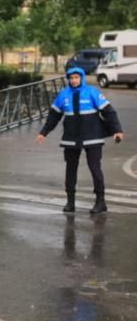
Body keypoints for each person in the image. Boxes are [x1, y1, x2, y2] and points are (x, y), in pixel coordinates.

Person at [36, 67, 124, 214]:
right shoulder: (63, 95)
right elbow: (53, 116)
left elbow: (109, 112)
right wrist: (44, 132)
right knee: (70, 169)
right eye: (71, 78)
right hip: (71, 138)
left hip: (93, 137)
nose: (73, 80)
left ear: (81, 78)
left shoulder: (92, 92)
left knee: (95, 168)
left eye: (76, 77)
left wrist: (117, 130)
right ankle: (70, 202)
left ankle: (100, 202)